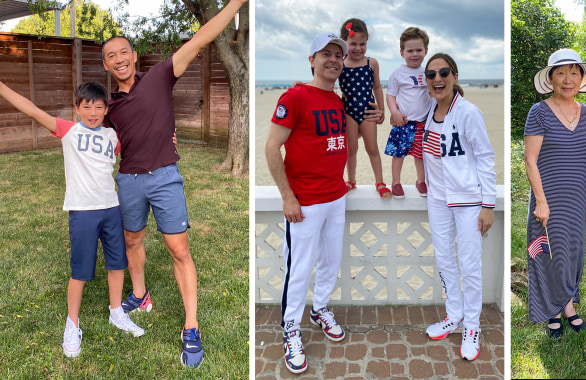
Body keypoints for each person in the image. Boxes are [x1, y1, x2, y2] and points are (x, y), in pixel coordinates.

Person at [100, 0, 247, 368]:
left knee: (178, 249)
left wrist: (236, 4)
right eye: (110, 56)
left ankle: (191, 327)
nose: (118, 59)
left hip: (165, 176)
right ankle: (139, 294)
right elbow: (91, 140)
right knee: (132, 238)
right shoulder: (107, 107)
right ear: (105, 65)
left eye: (123, 52)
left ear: (134, 56)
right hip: (129, 179)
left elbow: (201, 39)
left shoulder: (161, 74)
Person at [0, 81, 145, 358]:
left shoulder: (113, 137)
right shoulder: (68, 130)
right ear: (77, 108)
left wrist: (170, 137)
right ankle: (72, 323)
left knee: (117, 264)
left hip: (112, 208)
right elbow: (31, 110)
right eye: (86, 106)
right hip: (82, 211)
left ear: (106, 110)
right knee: (80, 271)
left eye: (99, 107)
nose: (93, 112)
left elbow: (142, 139)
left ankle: (117, 312)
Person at [264, 32, 350, 374]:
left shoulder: (338, 101)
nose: (333, 59)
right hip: (305, 202)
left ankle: (320, 310)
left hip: (336, 197)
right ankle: (290, 329)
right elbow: (272, 147)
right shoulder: (296, 96)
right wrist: (288, 197)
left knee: (331, 260)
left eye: (338, 55)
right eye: (325, 53)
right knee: (298, 269)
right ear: (311, 59)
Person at [421, 53, 496, 361]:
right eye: (431, 74)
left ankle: (472, 326)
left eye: (443, 72)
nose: (437, 78)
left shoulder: (468, 112)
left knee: (469, 265)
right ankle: (454, 315)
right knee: (444, 259)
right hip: (437, 200)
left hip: (467, 202)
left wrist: (488, 205)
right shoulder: (429, 110)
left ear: (454, 75)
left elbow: (486, 157)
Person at [524, 49, 586, 339]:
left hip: (577, 194)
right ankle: (552, 311)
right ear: (551, 78)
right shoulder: (539, 112)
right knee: (547, 252)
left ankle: (567, 305)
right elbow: (530, 159)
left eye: (574, 72)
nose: (568, 79)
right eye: (561, 73)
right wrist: (540, 202)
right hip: (548, 197)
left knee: (571, 251)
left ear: (581, 78)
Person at [338, 18, 390, 198]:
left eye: (363, 44)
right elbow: (327, 82)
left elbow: (377, 87)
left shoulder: (371, 63)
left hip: (368, 112)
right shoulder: (341, 63)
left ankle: (380, 182)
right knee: (350, 149)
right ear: (344, 42)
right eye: (353, 43)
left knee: (372, 149)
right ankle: (351, 181)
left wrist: (381, 109)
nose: (358, 48)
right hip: (348, 113)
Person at [385, 27, 430, 199]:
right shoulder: (397, 74)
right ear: (402, 52)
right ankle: (396, 182)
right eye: (409, 50)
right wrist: (394, 112)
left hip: (423, 123)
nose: (414, 54)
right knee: (398, 154)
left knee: (421, 155)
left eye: (419, 50)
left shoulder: (427, 72)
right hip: (403, 123)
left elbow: (432, 94)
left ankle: (421, 181)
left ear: (426, 51)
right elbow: (391, 96)